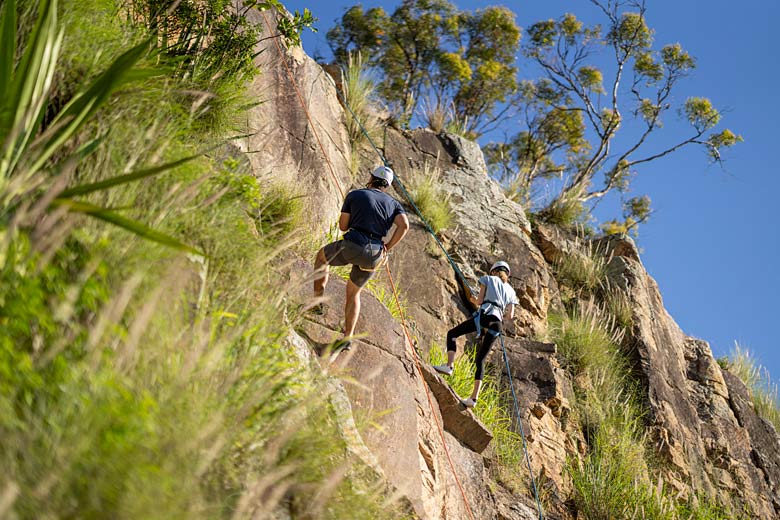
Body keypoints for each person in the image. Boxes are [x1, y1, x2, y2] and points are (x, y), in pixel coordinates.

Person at [313, 165, 410, 354]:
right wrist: (387, 247)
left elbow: (342, 227)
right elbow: (404, 226)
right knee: (353, 292)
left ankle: (316, 304)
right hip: (374, 255)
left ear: (371, 178)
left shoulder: (356, 194)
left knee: (321, 258)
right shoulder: (394, 204)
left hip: (353, 245)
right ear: (387, 186)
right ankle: (347, 337)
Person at [433, 261, 519, 408]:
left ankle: (449, 366)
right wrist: (499, 315)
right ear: (507, 274)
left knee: (452, 334)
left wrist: (474, 300)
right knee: (481, 360)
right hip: (497, 323)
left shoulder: (487, 279)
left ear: (493, 271)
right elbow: (510, 315)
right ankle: (473, 399)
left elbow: (479, 301)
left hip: (485, 315)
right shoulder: (511, 291)